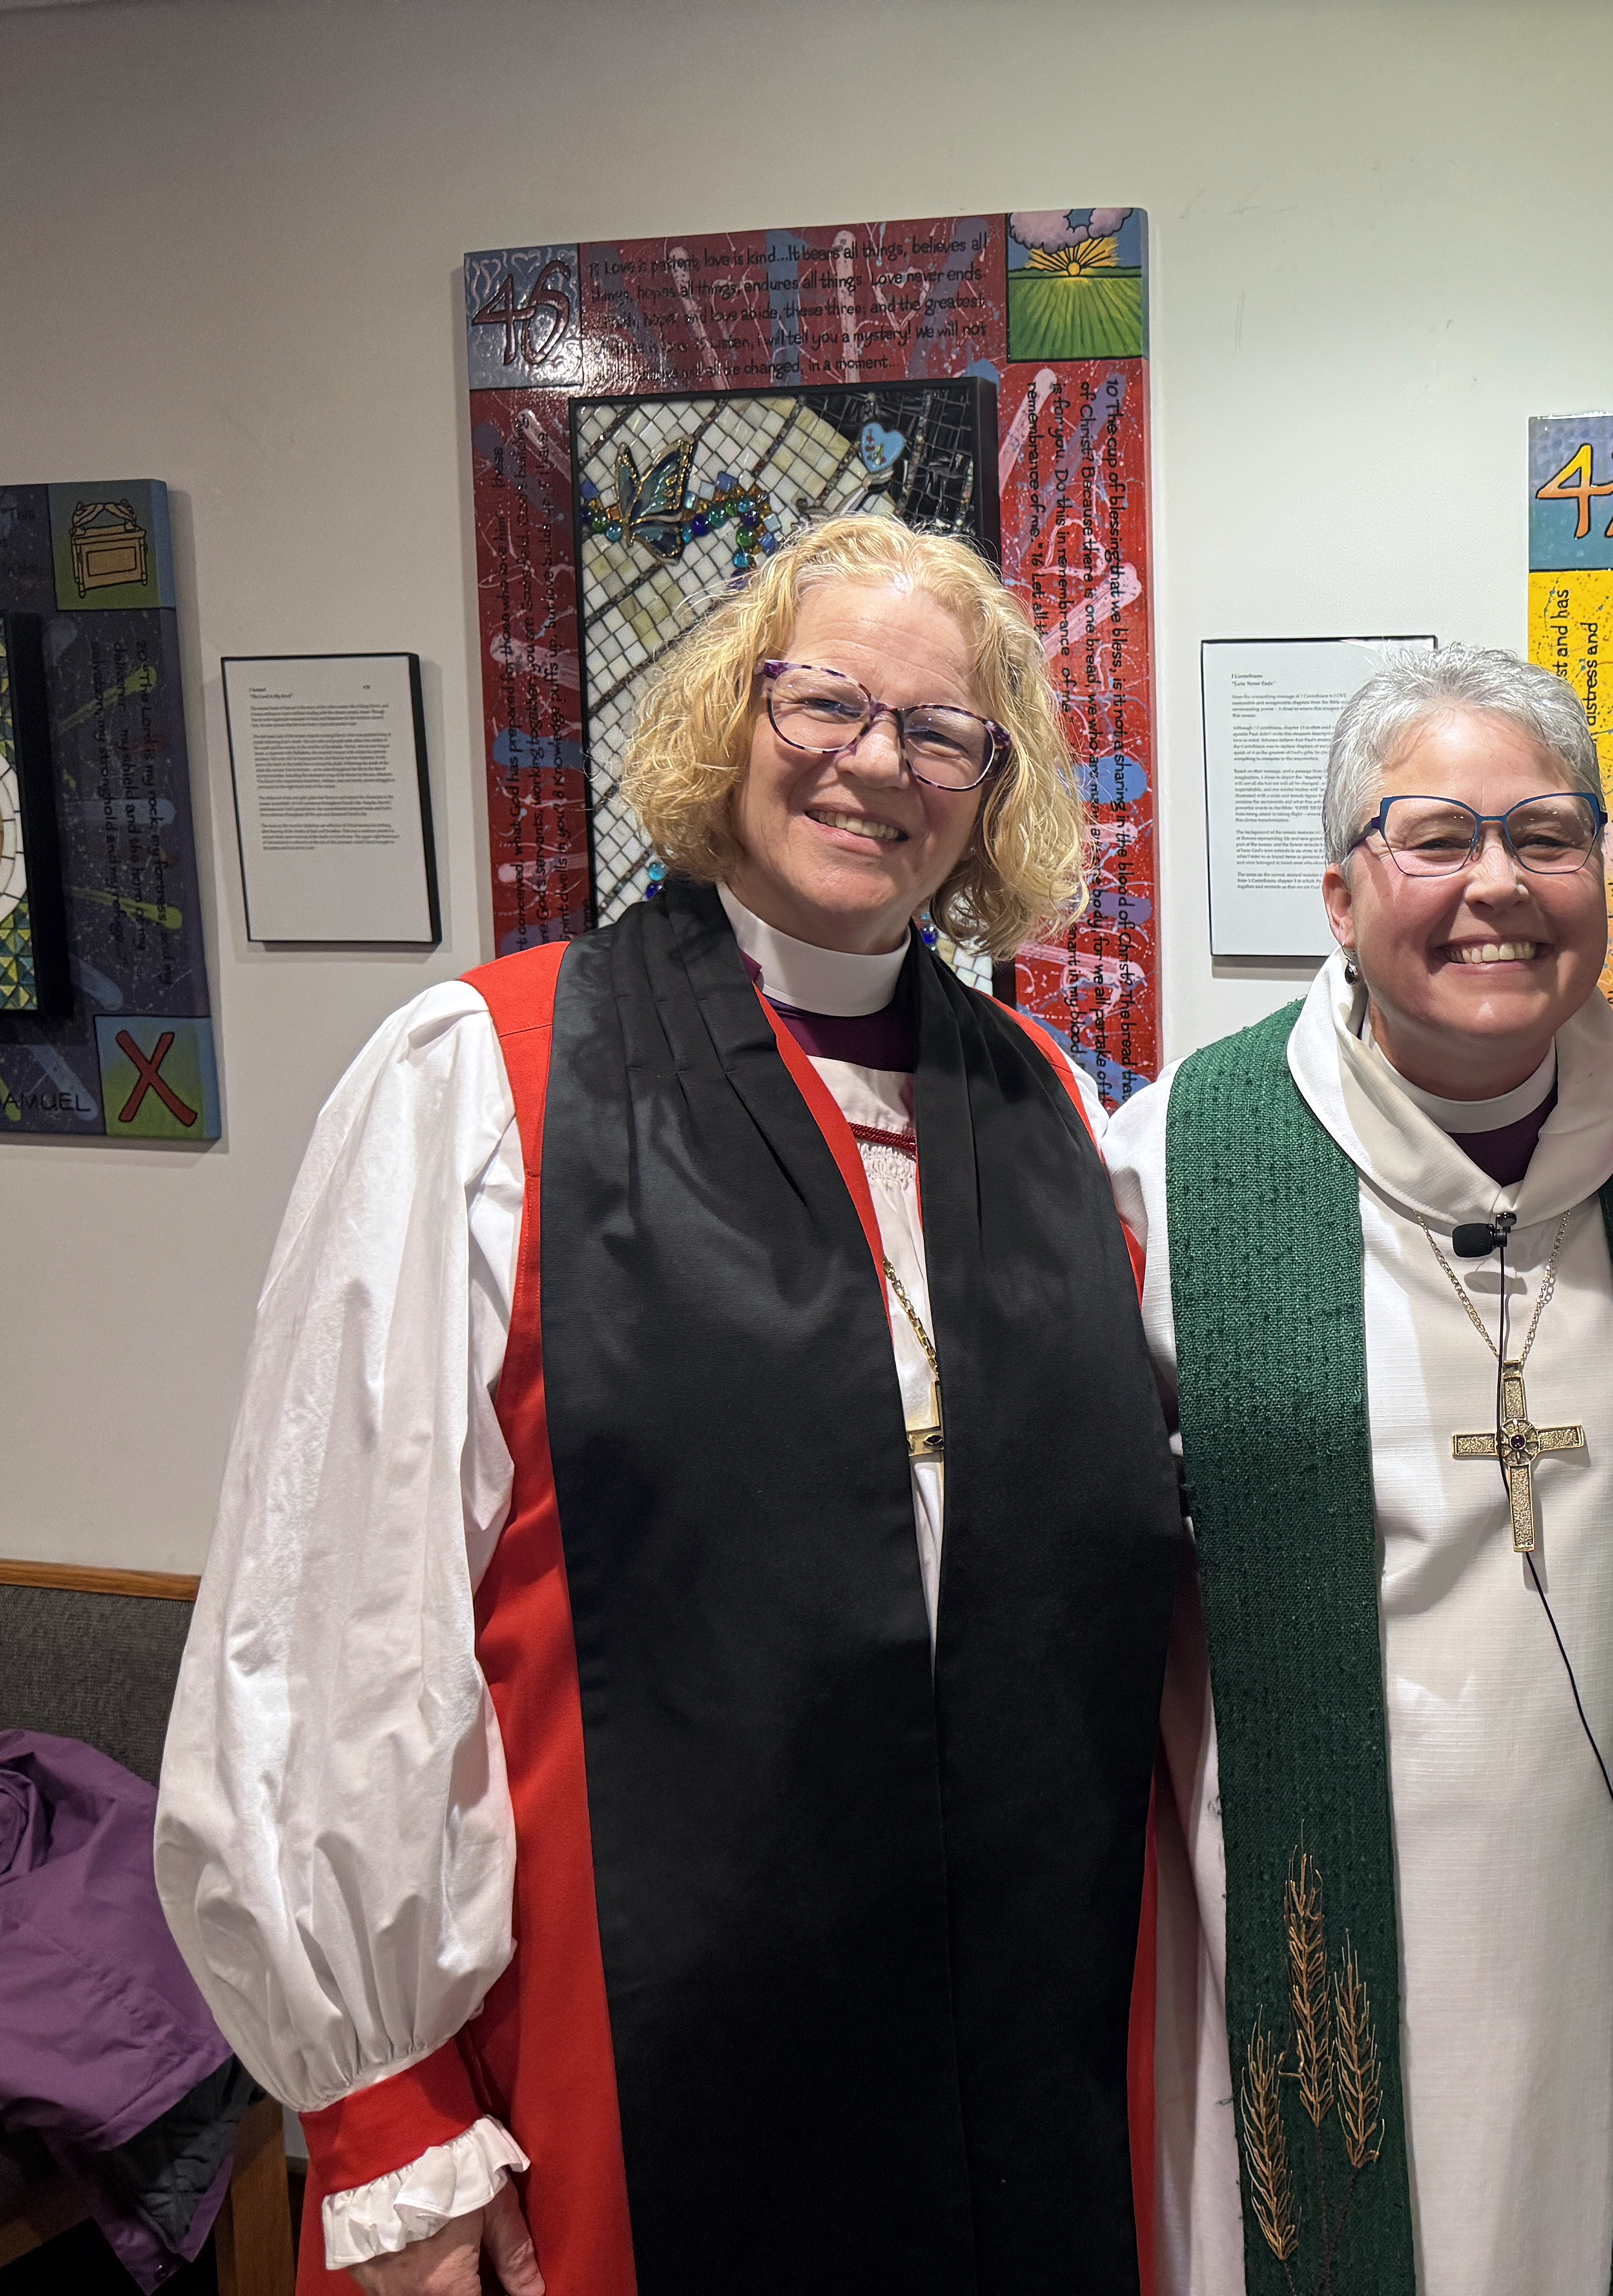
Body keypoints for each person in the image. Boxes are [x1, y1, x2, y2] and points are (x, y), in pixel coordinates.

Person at [157, 514, 1186, 2295]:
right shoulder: (489, 1080)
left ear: (991, 790)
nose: (879, 763)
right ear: (730, 714)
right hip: (618, 2059)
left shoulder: (1052, 1117)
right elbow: (329, 1631)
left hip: (1008, 2063)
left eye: (945, 733)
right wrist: (391, 2111)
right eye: (827, 700)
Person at [1107, 645, 1613, 2295]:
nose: (1496, 883)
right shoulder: (1173, 1175)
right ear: (1342, 894)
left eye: (1548, 835)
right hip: (1294, 1935)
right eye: (1435, 835)